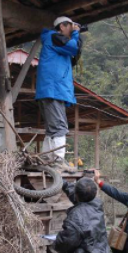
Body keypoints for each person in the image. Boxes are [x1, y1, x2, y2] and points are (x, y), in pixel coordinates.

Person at [36, 16, 83, 171]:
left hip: (51, 90)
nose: (72, 29)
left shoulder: (56, 42)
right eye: (70, 26)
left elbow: (75, 55)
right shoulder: (54, 37)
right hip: (54, 89)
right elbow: (74, 47)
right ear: (62, 26)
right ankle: (58, 161)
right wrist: (76, 34)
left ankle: (46, 159)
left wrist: (76, 35)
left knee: (52, 128)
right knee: (59, 127)